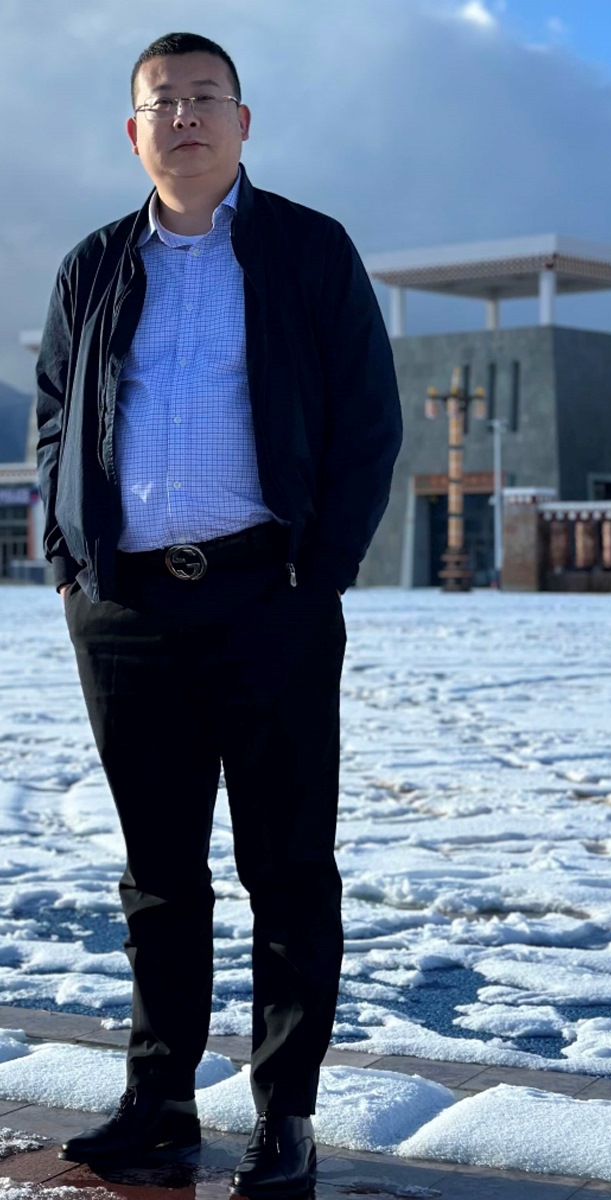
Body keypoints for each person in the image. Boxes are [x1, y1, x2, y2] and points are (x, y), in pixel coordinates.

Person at [36, 30, 401, 1198]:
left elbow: (367, 417)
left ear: (243, 122)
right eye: (163, 101)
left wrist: (320, 570)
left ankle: (284, 1116)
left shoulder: (305, 249)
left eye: (206, 97)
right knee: (158, 872)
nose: (184, 115)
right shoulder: (94, 265)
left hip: (269, 600)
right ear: (133, 131)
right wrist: (70, 566)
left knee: (286, 866)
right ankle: (159, 1102)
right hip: (128, 611)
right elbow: (55, 417)